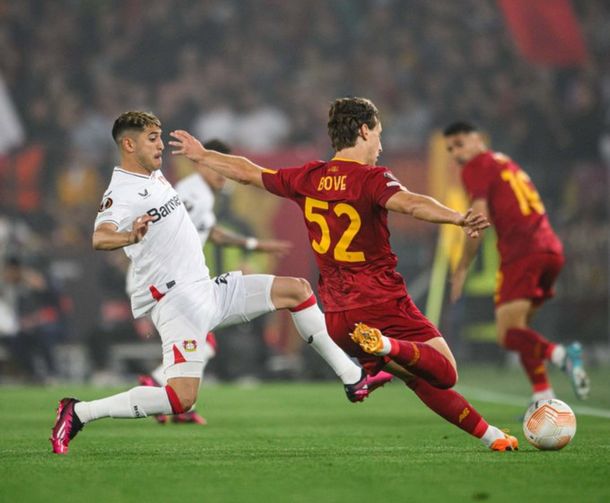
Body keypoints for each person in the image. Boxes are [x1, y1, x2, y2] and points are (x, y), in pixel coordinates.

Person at [169, 97, 518, 451]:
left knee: (418, 380)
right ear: (364, 130)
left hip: (338, 319)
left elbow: (246, 171)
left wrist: (202, 155)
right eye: (378, 134)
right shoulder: (373, 179)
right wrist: (457, 217)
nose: (381, 145)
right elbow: (411, 203)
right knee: (445, 370)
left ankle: (492, 437)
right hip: (381, 303)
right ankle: (386, 345)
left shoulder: (308, 177)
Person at [50, 111, 391, 454]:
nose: (159, 145)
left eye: (159, 136)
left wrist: (250, 245)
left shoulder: (155, 178)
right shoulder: (122, 190)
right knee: (181, 399)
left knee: (297, 290)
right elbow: (100, 236)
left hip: (207, 290)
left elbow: (197, 228)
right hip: (178, 302)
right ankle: (79, 412)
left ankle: (354, 378)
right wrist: (129, 234)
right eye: (152, 138)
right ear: (128, 143)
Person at [136, 139, 292, 425]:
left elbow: (212, 232)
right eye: (219, 165)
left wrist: (255, 245)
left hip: (178, 284)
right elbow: (165, 231)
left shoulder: (204, 198)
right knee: (202, 343)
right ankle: (154, 385)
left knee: (203, 344)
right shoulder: (192, 194)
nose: (224, 173)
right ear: (202, 163)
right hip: (173, 284)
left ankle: (178, 404)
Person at [443, 121, 590, 402]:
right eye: (451, 149)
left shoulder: (476, 166)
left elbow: (478, 219)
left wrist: (462, 267)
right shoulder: (505, 163)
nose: (457, 154)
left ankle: (562, 355)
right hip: (550, 250)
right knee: (520, 330)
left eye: (460, 144)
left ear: (478, 139)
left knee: (507, 334)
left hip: (522, 252)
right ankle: (543, 397)